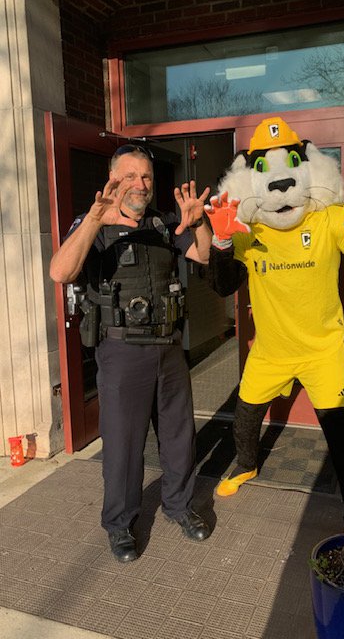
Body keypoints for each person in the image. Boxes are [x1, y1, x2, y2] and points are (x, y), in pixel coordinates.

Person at [206, 117, 344, 535]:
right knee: (245, 414)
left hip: (322, 350)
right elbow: (223, 285)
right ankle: (247, 466)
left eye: (291, 164)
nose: (279, 185)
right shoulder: (248, 228)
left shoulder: (329, 218)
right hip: (271, 350)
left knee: (341, 435)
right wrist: (221, 244)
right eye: (265, 171)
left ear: (308, 167)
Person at [50, 144, 213, 561]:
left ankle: (179, 506)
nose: (140, 185)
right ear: (113, 180)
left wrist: (199, 223)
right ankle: (120, 524)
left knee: (178, 437)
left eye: (145, 177)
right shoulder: (92, 225)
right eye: (130, 177)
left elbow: (203, 253)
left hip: (169, 349)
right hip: (122, 353)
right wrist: (93, 220)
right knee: (123, 445)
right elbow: (61, 271)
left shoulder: (162, 223)